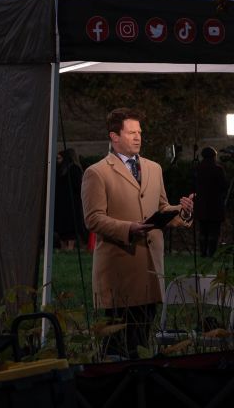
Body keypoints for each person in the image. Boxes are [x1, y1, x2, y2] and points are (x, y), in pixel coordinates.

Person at [81, 108, 194, 359]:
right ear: (114, 136)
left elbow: (162, 208)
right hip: (120, 270)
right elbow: (93, 218)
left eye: (139, 132)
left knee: (143, 339)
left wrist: (182, 211)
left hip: (151, 270)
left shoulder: (154, 168)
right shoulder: (97, 172)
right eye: (131, 132)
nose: (138, 137)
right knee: (118, 345)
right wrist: (127, 228)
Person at [194, 146, 228, 257]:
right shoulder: (218, 169)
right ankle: (211, 253)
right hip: (215, 205)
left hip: (202, 205)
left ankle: (203, 252)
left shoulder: (198, 169)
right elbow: (224, 186)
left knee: (203, 231)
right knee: (214, 231)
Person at [54, 148, 86, 250]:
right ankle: (68, 246)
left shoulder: (64, 170)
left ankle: (67, 246)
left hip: (65, 202)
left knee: (66, 225)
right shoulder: (71, 169)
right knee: (69, 225)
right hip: (69, 202)